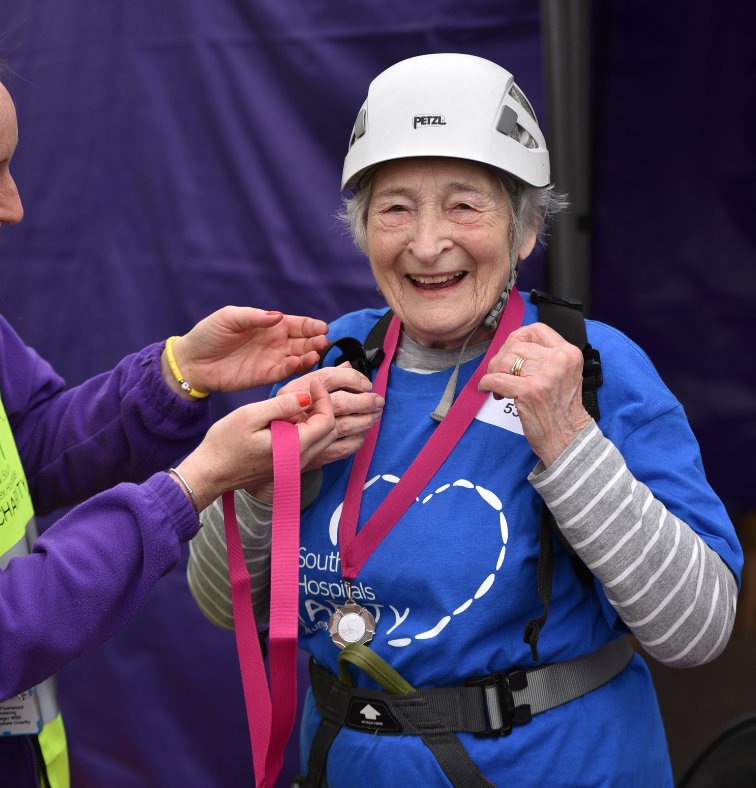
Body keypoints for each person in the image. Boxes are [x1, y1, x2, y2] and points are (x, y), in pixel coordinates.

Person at [187, 53, 743, 786]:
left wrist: (569, 441)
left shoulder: (591, 366)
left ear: (523, 231)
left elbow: (698, 630)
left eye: (463, 204)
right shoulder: (336, 359)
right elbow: (224, 605)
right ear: (362, 230)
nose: (425, 243)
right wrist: (260, 485)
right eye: (394, 207)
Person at [0, 17, 344, 788]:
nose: (15, 207)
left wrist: (176, 376)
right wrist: (189, 487)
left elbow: (27, 446)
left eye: (10, 170)